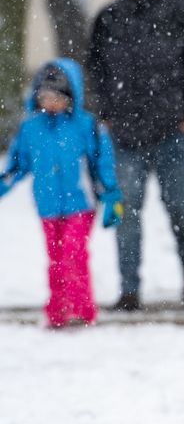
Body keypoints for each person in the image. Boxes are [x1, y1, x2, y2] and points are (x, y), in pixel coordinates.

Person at [86, 0, 184, 311]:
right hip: (125, 134)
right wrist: (105, 113)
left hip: (174, 131)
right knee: (126, 211)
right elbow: (95, 69)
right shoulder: (109, 18)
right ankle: (129, 291)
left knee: (179, 207)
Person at [0, 59, 123, 328]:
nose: (51, 102)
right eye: (45, 96)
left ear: (71, 96)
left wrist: (110, 195)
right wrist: (4, 184)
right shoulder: (31, 128)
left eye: (57, 97)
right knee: (56, 259)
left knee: (73, 253)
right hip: (47, 205)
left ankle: (81, 310)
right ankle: (57, 311)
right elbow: (18, 164)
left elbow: (100, 162)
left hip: (80, 203)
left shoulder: (85, 125)